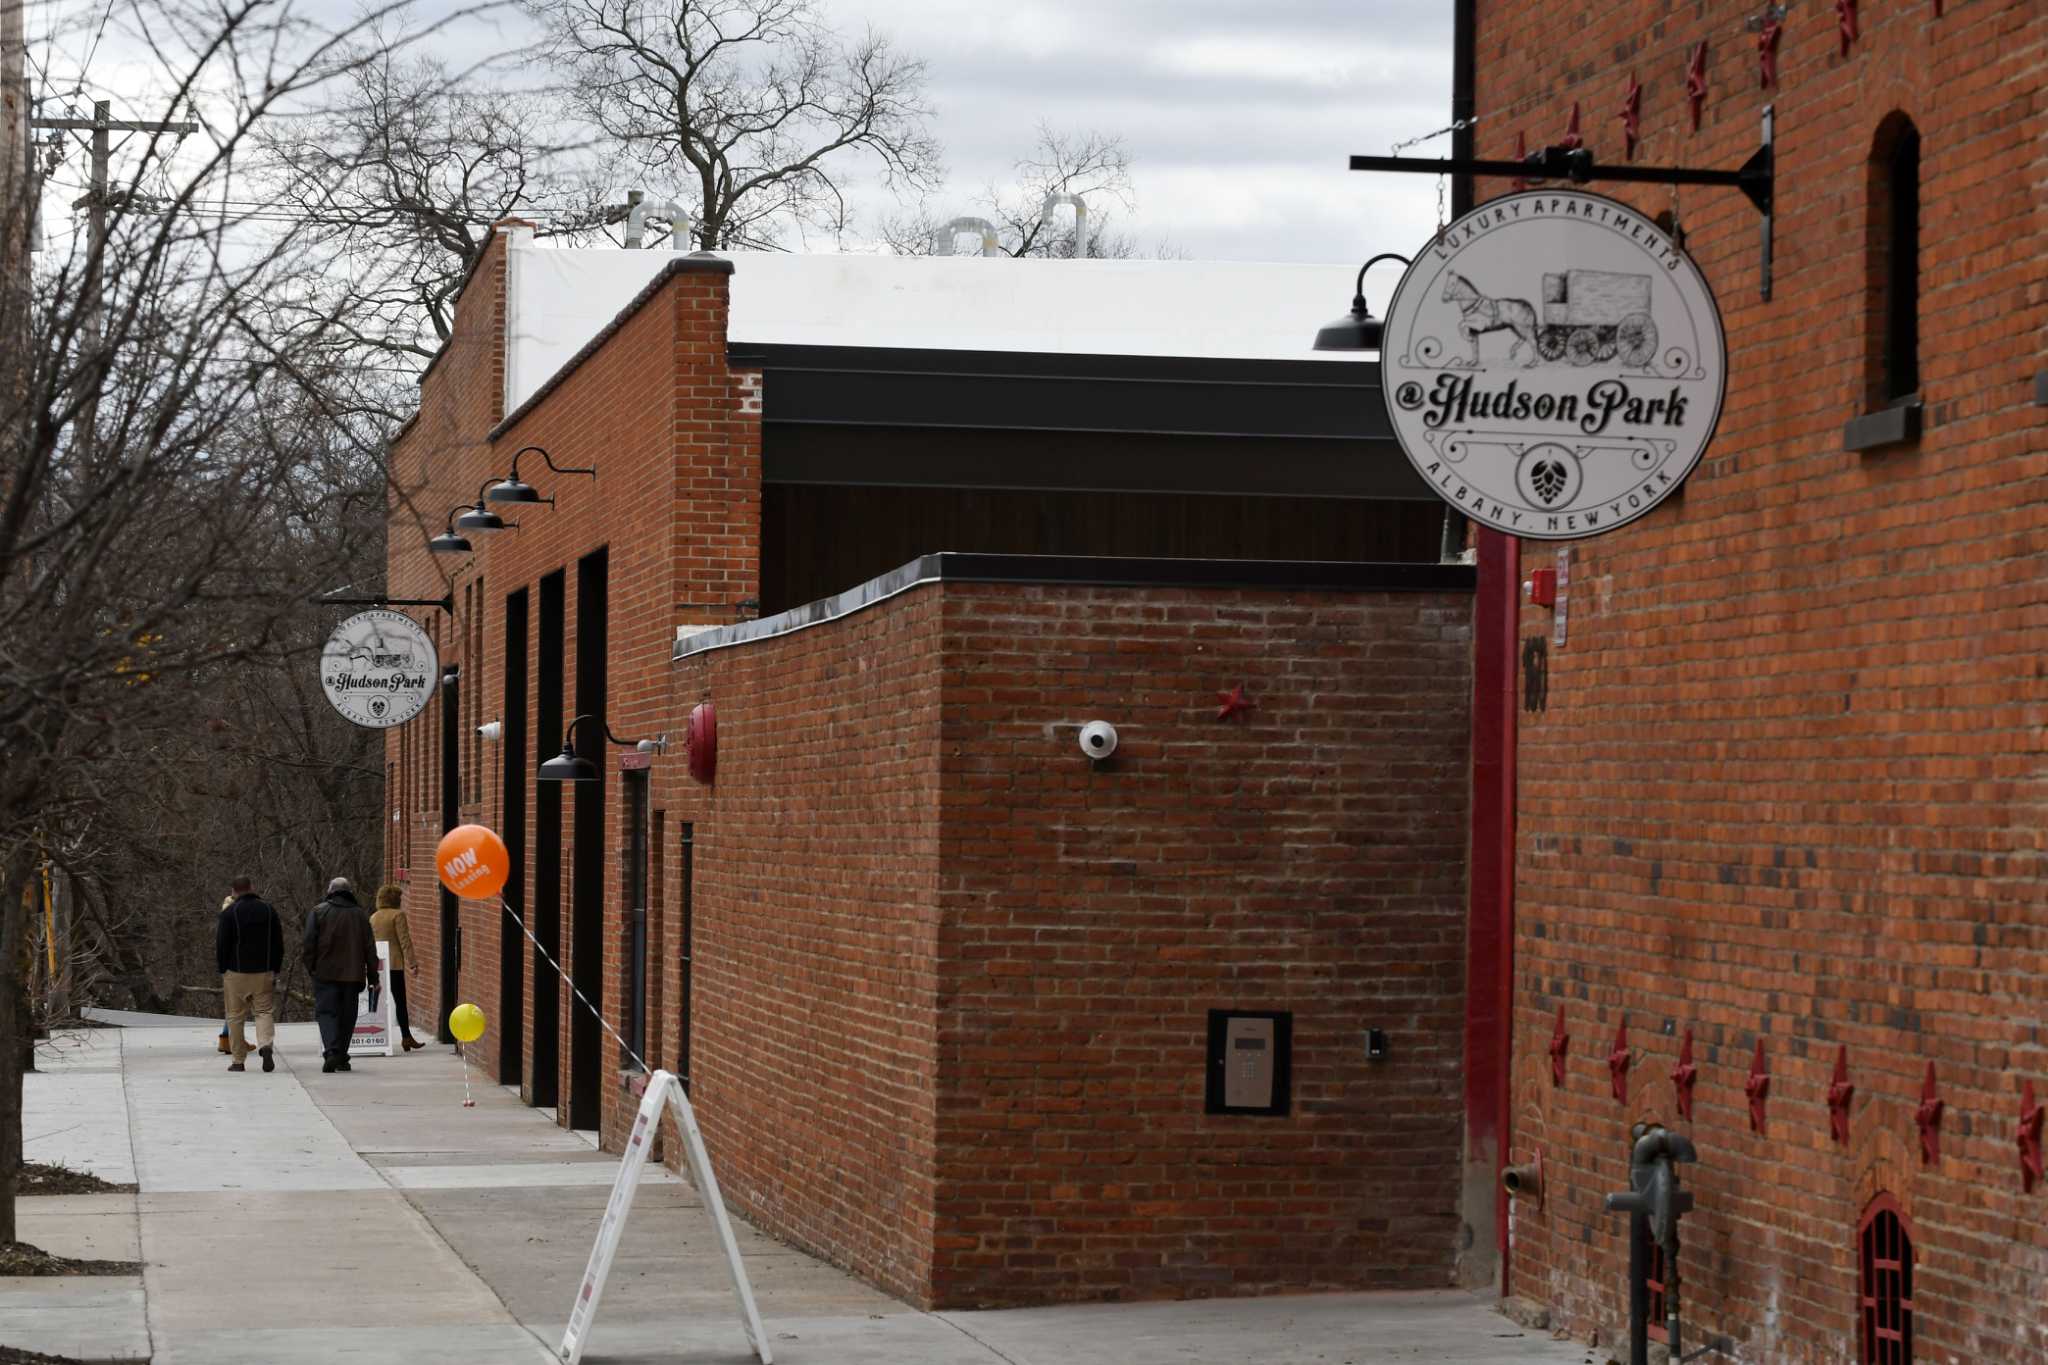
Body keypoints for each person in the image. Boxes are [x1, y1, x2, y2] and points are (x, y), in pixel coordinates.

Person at [303, 876, 378, 1073]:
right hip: (352, 976)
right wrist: (373, 978)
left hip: (325, 973)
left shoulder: (318, 912)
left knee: (327, 1013)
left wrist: (311, 967)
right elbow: (370, 949)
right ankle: (341, 1055)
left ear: (330, 891)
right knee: (347, 1016)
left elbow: (309, 943)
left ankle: (332, 1051)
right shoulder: (360, 916)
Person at [216, 879, 284, 1073]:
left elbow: (222, 944)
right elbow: (278, 942)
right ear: (252, 888)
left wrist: (223, 968)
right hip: (263, 970)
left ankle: (238, 1061)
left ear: (233, 891)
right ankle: (265, 1045)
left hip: (235, 971)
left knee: (235, 1016)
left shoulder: (229, 913)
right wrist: (275, 967)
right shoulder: (268, 910)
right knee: (263, 1012)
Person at [369, 884, 424, 1052]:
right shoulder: (398, 915)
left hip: (377, 965)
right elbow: (404, 941)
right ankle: (406, 1037)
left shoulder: (373, 917)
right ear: (395, 899)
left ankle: (373, 1037)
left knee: (375, 1001)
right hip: (394, 964)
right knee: (400, 1002)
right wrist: (412, 963)